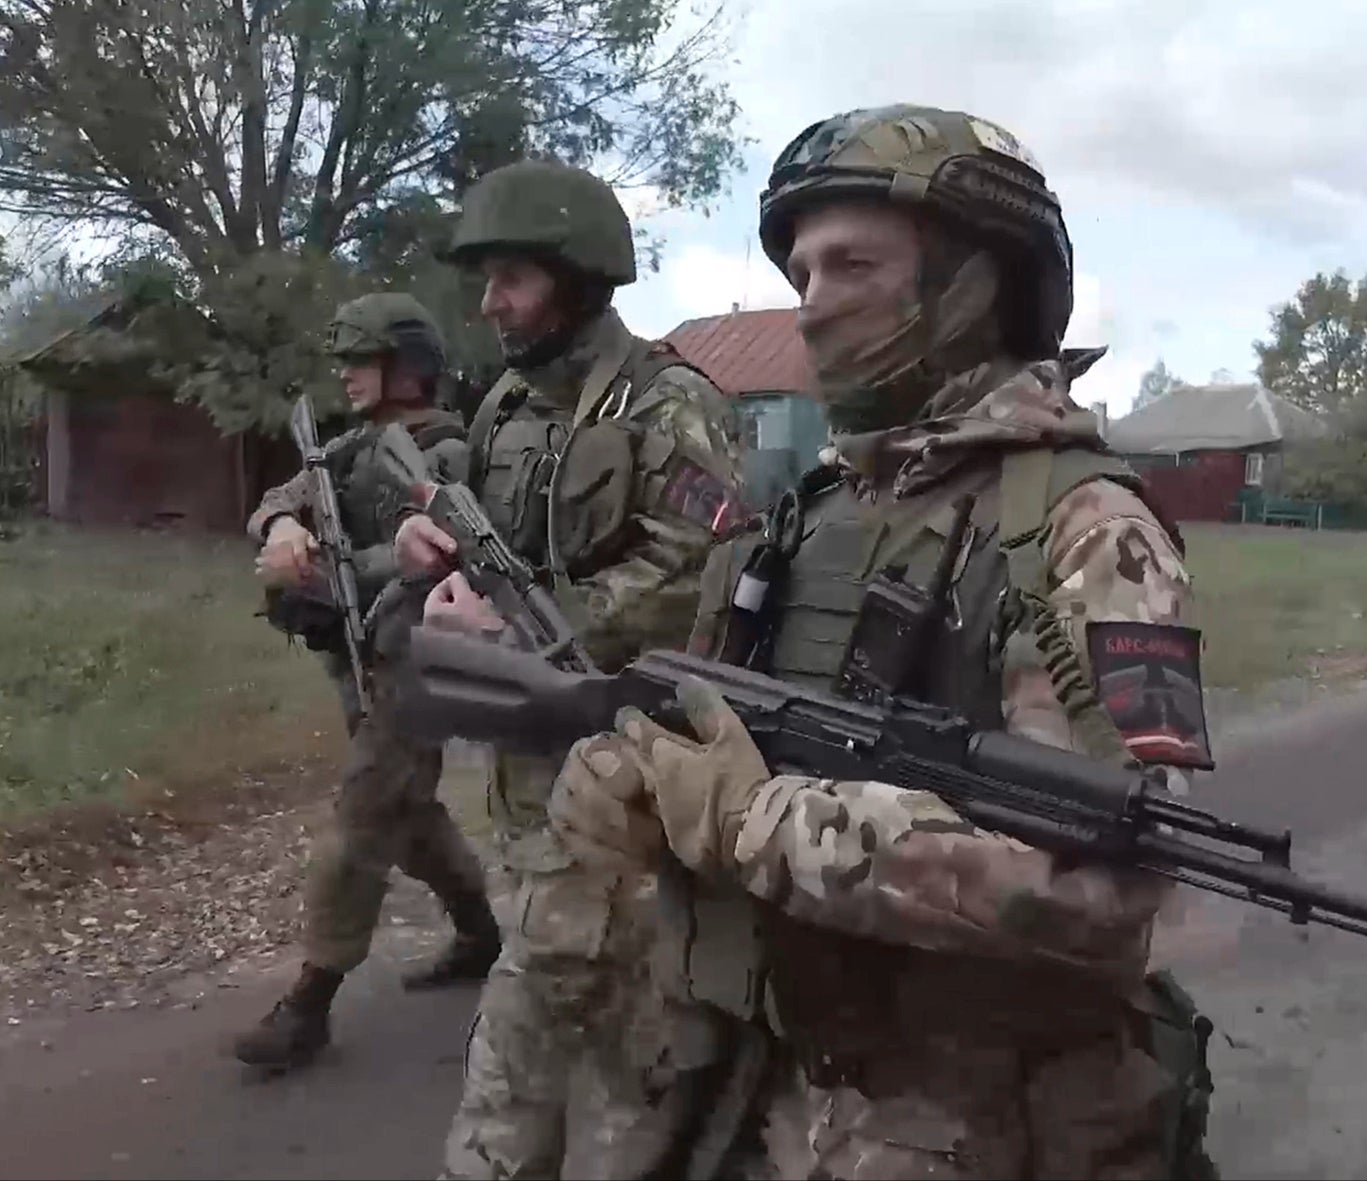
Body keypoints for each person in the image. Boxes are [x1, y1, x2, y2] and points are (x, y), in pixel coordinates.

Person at [546, 105, 1222, 1179]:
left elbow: (1105, 887)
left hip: (981, 1120)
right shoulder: (815, 510)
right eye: (801, 271)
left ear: (973, 284)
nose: (809, 306)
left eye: (849, 265)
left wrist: (759, 821)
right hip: (774, 1074)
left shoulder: (1083, 530)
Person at [388, 158, 745, 1178]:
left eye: (513, 278)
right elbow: (482, 530)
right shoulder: (506, 404)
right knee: (577, 1025)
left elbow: (701, 564)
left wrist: (547, 630)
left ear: (581, 277)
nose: (490, 302)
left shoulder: (667, 403)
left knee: (592, 1060)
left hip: (628, 782)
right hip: (522, 777)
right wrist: (433, 549)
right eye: (486, 279)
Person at [233, 292, 500, 1073]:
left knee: (362, 821)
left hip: (417, 663)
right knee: (407, 813)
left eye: (362, 358)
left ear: (407, 364)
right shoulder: (349, 446)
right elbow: (288, 496)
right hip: (358, 658)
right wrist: (283, 529)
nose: (346, 373)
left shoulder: (443, 452)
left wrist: (339, 566)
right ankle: (483, 932)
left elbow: (448, 552)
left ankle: (309, 1005)